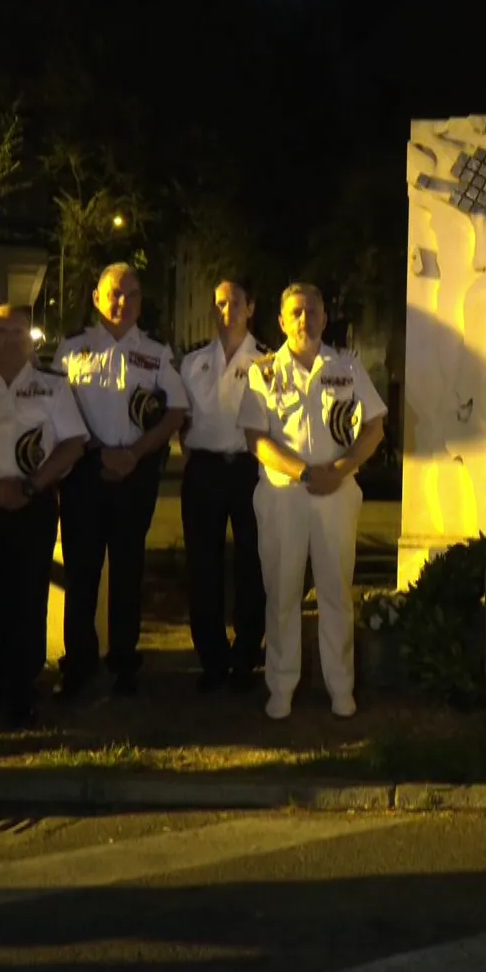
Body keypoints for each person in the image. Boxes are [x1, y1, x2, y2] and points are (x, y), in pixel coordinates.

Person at [239, 284, 388, 720]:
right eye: (295, 313)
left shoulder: (347, 366)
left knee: (336, 593)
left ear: (325, 318)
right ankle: (281, 686)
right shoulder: (262, 372)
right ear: (282, 322)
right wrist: (304, 472)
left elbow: (375, 426)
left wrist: (339, 470)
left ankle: (340, 687)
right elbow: (256, 438)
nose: (304, 319)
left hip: (337, 494)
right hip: (285, 495)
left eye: (312, 312)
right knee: (282, 593)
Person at [0, 305, 87, 728]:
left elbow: (73, 443)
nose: (7, 339)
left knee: (28, 599)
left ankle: (20, 695)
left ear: (31, 340)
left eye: (17, 331)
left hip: (32, 502)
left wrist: (31, 485)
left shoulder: (53, 389)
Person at [52, 264, 188, 699]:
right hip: (83, 474)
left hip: (135, 475)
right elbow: (58, 408)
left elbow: (175, 412)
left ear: (140, 302)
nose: (122, 302)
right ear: (96, 297)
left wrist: (136, 452)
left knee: (128, 572)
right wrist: (97, 450)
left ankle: (125, 663)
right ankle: (78, 664)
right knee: (82, 573)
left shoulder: (156, 353)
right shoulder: (71, 351)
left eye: (131, 294)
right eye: (113, 293)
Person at [178, 277, 271, 693]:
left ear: (250, 308)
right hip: (204, 472)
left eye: (234, 302)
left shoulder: (268, 361)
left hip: (250, 471)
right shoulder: (193, 362)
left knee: (253, 564)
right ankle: (212, 659)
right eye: (219, 303)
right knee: (203, 566)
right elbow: (182, 420)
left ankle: (247, 655)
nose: (226, 310)